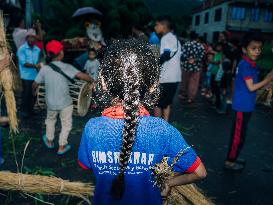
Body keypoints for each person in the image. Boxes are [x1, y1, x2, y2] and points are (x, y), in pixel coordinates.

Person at [77, 39, 206, 205]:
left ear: (103, 83)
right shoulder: (162, 129)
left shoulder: (92, 128)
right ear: (153, 86)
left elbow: (85, 165)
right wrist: (167, 183)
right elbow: (200, 172)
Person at [32, 40, 94, 155]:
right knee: (66, 124)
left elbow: (35, 84)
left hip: (50, 103)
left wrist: (34, 93)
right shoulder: (67, 67)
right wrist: (92, 80)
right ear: (61, 53)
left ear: (49, 54)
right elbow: (82, 76)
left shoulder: (45, 69)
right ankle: (62, 146)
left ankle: (49, 141)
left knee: (50, 121)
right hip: (65, 103)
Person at [224, 33, 273, 171]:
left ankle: (234, 156)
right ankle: (230, 161)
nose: (257, 51)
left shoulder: (252, 65)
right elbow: (251, 87)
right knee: (237, 136)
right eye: (253, 48)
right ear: (245, 49)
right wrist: (268, 80)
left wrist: (265, 84)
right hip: (241, 106)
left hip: (247, 106)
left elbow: (254, 84)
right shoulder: (245, 64)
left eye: (259, 48)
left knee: (241, 135)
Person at [154, 16, 182, 121]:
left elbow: (165, 55)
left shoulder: (166, 38)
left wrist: (153, 64)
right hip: (174, 77)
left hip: (167, 77)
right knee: (167, 103)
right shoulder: (176, 40)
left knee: (156, 103)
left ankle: (157, 126)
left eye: (157, 24)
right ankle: (165, 125)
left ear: (164, 26)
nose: (155, 27)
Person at [17, 30, 41, 119]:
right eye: (29, 38)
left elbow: (40, 61)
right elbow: (23, 63)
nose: (31, 40)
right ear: (26, 39)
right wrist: (36, 65)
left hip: (36, 76)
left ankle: (30, 110)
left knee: (34, 94)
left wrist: (40, 64)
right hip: (26, 76)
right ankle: (23, 111)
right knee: (26, 94)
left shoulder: (38, 49)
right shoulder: (21, 49)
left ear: (35, 40)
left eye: (33, 38)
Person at [179, 32, 205, 103]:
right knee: (193, 83)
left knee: (184, 81)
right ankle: (191, 98)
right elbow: (202, 57)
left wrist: (188, 59)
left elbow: (182, 56)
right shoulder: (200, 46)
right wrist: (195, 59)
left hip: (186, 67)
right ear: (197, 38)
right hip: (196, 68)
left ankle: (183, 94)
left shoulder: (186, 45)